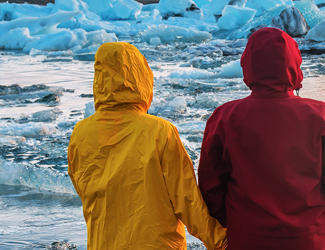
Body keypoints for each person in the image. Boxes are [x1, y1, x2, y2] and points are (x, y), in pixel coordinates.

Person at [198, 27, 325, 250]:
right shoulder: (324, 116)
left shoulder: (224, 118)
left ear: (248, 64)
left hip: (246, 238)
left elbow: (211, 186)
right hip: (308, 240)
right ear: (294, 64)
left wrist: (228, 225)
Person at [68, 42, 227, 250]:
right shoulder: (159, 131)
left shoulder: (80, 133)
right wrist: (221, 243)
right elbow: (187, 200)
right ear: (141, 77)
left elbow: (84, 188)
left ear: (99, 78)